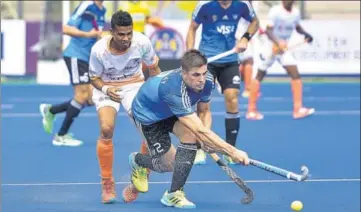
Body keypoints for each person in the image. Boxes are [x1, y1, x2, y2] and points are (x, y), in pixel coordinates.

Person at [126, 49, 249, 208]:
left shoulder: (208, 80)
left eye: (204, 73)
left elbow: (204, 112)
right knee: (168, 165)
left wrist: (204, 141)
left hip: (171, 110)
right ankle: (138, 161)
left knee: (191, 136)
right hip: (148, 116)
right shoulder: (172, 89)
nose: (201, 79)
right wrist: (232, 151)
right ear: (183, 73)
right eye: (196, 75)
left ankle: (173, 194)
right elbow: (200, 131)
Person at [89, 10, 160, 203]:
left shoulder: (142, 42)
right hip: (107, 87)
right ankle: (107, 183)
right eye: (121, 34)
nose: (126, 38)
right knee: (106, 129)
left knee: (149, 129)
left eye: (129, 33)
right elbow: (93, 77)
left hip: (133, 85)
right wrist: (105, 88)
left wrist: (157, 94)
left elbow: (154, 68)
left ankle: (141, 174)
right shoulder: (98, 50)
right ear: (111, 32)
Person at [186, 0, 259, 165]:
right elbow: (192, 28)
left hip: (230, 59)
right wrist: (190, 54)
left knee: (232, 98)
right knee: (203, 106)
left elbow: (255, 22)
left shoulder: (242, 5)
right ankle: (199, 148)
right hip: (208, 61)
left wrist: (246, 38)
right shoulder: (205, 5)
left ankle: (230, 150)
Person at [39, 1, 105, 146]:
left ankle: (51, 110)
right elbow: (66, 29)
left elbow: (96, 35)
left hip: (88, 58)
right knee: (81, 96)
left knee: (90, 99)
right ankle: (61, 135)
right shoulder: (86, 6)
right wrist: (88, 35)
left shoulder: (102, 10)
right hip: (76, 56)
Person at [246, 0, 314, 120]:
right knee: (259, 75)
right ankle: (251, 110)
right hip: (269, 47)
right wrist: (278, 42)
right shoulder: (275, 12)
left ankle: (297, 109)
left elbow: (297, 27)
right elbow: (268, 31)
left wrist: (306, 34)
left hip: (283, 49)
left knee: (295, 73)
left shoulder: (296, 13)